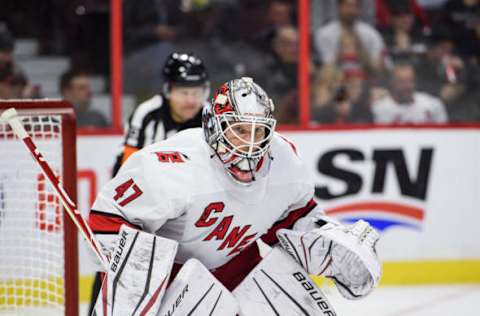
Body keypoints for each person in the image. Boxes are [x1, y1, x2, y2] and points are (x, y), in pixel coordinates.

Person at [88, 77, 381, 305]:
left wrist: (326, 245)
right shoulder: (173, 165)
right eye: (239, 130)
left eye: (259, 131)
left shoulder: (285, 161)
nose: (251, 144)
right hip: (172, 282)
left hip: (236, 270)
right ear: (214, 127)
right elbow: (107, 222)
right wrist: (139, 286)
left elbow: (291, 220)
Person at [112, 52, 209, 176]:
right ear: (168, 90)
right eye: (183, 93)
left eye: (197, 93)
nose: (190, 101)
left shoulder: (210, 117)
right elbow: (128, 165)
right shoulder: (147, 114)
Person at [371, 63, 448, 123]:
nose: (407, 86)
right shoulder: (380, 109)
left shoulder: (433, 105)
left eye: (410, 81)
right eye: (402, 82)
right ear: (392, 83)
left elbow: (445, 136)